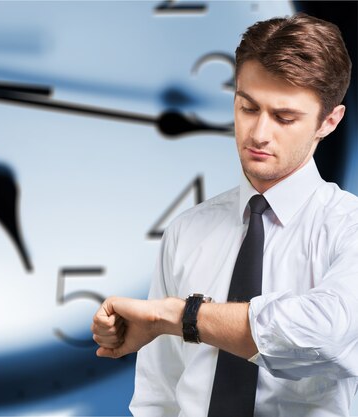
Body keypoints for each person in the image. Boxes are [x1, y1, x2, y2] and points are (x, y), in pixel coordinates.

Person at [91, 12, 356, 417]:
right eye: (247, 107)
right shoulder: (186, 232)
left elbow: (324, 335)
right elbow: (157, 396)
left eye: (284, 117)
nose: (259, 133)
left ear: (329, 121)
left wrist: (177, 316)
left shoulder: (348, 227)